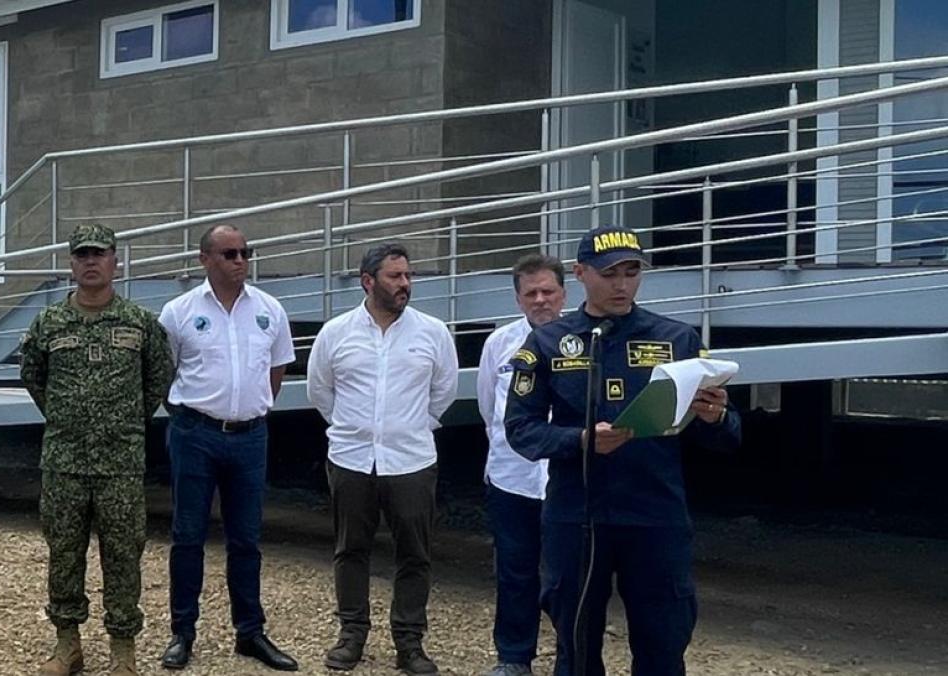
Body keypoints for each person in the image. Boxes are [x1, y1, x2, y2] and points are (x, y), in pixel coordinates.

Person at [505, 226, 741, 676]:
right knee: (575, 646)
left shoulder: (677, 340)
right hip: (578, 516)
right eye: (609, 273)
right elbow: (521, 429)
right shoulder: (550, 342)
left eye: (631, 273)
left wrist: (716, 418)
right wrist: (579, 441)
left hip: (654, 515)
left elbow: (727, 436)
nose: (622, 284)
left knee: (663, 644)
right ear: (580, 274)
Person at [20, 224, 175, 676]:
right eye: (82, 254)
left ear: (115, 261)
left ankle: (122, 648)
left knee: (123, 554)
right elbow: (34, 377)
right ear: (71, 263)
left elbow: (156, 382)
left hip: (119, 463)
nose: (91, 261)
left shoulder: (140, 323)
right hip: (64, 461)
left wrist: (121, 423)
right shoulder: (49, 322)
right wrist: (69, 417)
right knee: (63, 553)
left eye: (100, 254)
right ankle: (68, 644)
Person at [306, 243, 458, 675]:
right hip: (352, 459)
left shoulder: (432, 332)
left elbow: (442, 392)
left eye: (408, 276)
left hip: (411, 460)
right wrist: (355, 429)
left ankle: (409, 643)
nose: (405, 284)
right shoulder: (336, 332)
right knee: (350, 549)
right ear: (368, 281)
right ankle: (351, 634)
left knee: (415, 553)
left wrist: (409, 427)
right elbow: (322, 391)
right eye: (395, 277)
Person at [153, 224, 299, 671]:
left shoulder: (269, 309)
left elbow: (277, 369)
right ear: (205, 260)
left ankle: (250, 632)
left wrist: (251, 407)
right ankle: (183, 632)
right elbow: (163, 374)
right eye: (229, 254)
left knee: (247, 538)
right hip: (195, 433)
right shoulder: (178, 312)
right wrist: (193, 415)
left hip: (250, 436)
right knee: (187, 535)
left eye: (244, 253)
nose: (239, 261)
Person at [474, 254, 567, 676]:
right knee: (515, 571)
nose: (540, 300)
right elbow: (487, 406)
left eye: (548, 291)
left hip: (568, 479)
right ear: (518, 298)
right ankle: (514, 657)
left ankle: (573, 656)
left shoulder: (582, 341)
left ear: (564, 293)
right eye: (531, 293)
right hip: (512, 478)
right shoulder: (500, 343)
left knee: (570, 576)